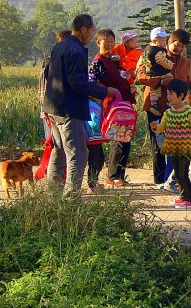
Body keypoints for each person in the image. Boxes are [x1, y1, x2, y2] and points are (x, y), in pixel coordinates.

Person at [42, 14, 117, 197]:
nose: (92, 35)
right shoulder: (76, 51)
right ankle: (70, 199)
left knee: (59, 153)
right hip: (70, 109)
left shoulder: (60, 46)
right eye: (91, 31)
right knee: (77, 156)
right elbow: (78, 83)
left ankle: (53, 196)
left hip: (53, 107)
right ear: (83, 30)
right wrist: (105, 91)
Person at [137, 29, 191, 184]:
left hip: (177, 110)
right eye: (177, 44)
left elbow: (188, 83)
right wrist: (160, 82)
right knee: (158, 144)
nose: (179, 49)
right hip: (155, 105)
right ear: (169, 41)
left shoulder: (186, 63)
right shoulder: (154, 53)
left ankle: (174, 180)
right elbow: (140, 75)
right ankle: (160, 180)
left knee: (176, 144)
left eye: (182, 47)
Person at [87, 28, 135, 188]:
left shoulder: (114, 60)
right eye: (105, 42)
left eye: (111, 41)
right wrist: (106, 92)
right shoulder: (98, 62)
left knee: (125, 138)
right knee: (118, 138)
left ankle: (119, 174)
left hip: (122, 105)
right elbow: (92, 84)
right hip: (109, 108)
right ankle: (113, 176)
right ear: (98, 43)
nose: (109, 45)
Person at [150, 79, 191, 209]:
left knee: (182, 174)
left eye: (171, 94)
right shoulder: (168, 113)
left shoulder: (189, 112)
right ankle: (182, 197)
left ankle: (188, 200)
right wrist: (155, 127)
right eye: (167, 94)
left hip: (185, 149)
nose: (168, 97)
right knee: (178, 174)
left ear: (181, 95)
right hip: (173, 148)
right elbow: (162, 127)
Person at [138, 27, 173, 114]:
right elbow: (140, 72)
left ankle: (155, 104)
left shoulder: (146, 50)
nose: (164, 42)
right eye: (162, 40)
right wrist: (170, 65)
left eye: (165, 40)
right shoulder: (159, 51)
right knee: (171, 84)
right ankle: (168, 103)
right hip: (159, 74)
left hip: (151, 73)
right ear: (154, 41)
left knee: (155, 91)